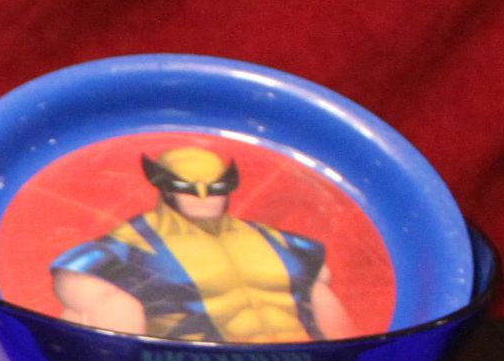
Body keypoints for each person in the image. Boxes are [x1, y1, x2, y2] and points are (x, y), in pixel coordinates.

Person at [50, 146, 356, 342]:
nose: (204, 197)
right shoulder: (129, 244)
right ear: (164, 188)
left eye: (216, 187)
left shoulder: (283, 244)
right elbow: (88, 300)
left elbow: (332, 320)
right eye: (188, 187)